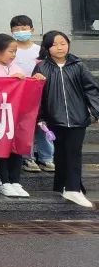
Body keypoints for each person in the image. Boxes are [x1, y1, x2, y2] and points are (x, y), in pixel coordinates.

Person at [32, 30, 99, 208]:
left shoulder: (78, 65)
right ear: (47, 47)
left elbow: (91, 89)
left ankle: (73, 189)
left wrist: (95, 111)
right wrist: (40, 117)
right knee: (60, 153)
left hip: (78, 117)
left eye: (63, 43)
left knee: (73, 152)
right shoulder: (42, 67)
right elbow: (37, 95)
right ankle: (62, 186)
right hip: (53, 117)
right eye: (55, 44)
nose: (60, 47)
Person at [0, 33, 30, 199]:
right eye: (10, 51)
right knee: (0, 147)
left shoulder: (15, 66)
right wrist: (10, 80)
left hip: (14, 114)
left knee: (16, 147)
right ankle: (3, 182)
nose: (13, 55)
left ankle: (15, 180)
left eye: (15, 52)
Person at [12, 15, 53, 173]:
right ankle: (27, 157)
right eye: (16, 29)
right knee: (25, 126)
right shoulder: (11, 49)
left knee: (43, 125)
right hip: (20, 94)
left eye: (24, 28)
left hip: (40, 93)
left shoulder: (39, 50)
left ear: (32, 29)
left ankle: (46, 157)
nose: (20, 31)